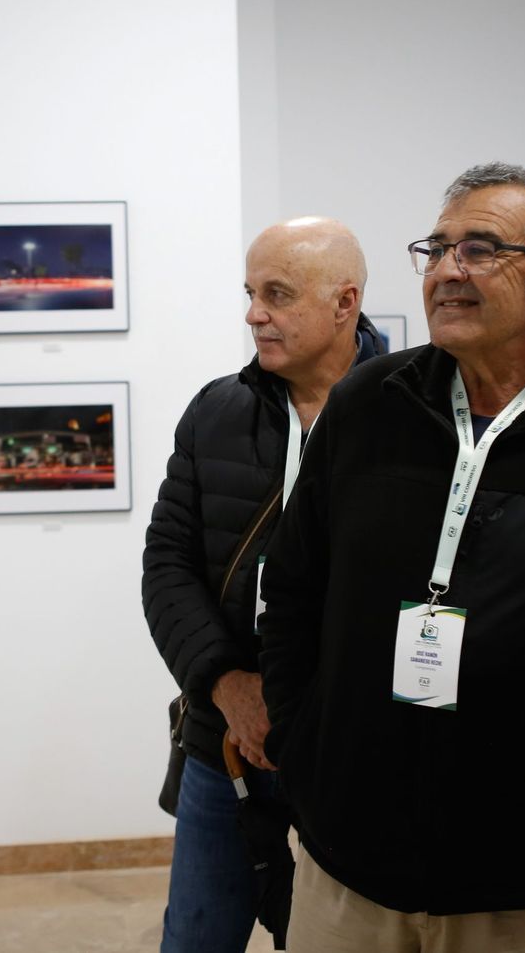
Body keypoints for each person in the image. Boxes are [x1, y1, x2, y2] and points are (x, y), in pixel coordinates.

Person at [258, 164, 525, 953]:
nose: (448, 270)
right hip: (347, 869)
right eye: (438, 247)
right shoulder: (365, 407)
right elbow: (292, 589)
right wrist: (304, 745)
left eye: (480, 249)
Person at [144, 216, 385, 953]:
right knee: (194, 939)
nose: (254, 313)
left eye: (277, 294)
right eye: (251, 292)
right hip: (224, 746)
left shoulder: (411, 418)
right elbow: (167, 566)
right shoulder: (217, 412)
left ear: (344, 303)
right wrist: (225, 684)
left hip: (354, 755)